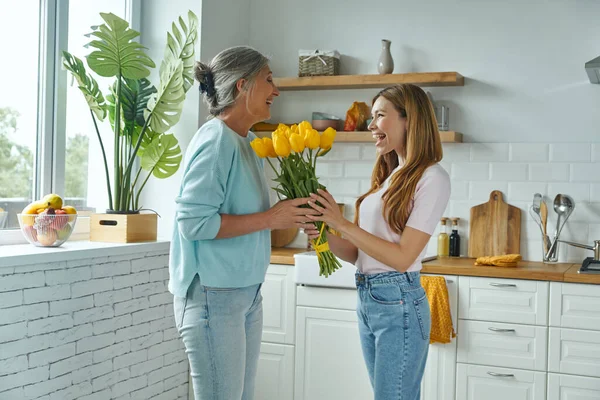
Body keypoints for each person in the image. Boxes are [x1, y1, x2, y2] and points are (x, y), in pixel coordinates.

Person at [169, 46, 317, 400]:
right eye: (268, 80)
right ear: (242, 86)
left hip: (245, 294)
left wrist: (294, 217)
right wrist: (271, 217)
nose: (276, 90)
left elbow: (249, 218)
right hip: (212, 297)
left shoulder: (247, 142)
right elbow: (193, 223)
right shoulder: (215, 140)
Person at [305, 83, 451, 400]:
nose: (371, 126)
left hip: (399, 300)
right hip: (370, 300)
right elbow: (361, 254)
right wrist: (323, 236)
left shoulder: (432, 177)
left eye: (380, 116)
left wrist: (340, 222)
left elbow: (402, 257)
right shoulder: (389, 176)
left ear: (409, 119)